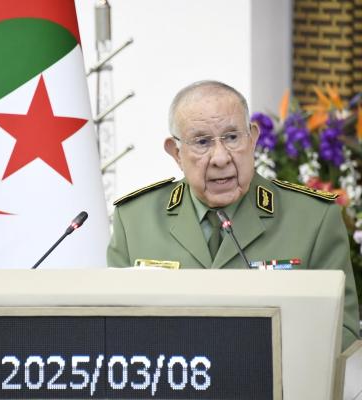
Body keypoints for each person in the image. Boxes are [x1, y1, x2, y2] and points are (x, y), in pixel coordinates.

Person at [107, 80, 360, 350]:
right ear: (176, 153)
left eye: (232, 138)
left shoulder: (313, 219)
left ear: (252, 138)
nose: (221, 158)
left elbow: (342, 332)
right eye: (202, 142)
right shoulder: (134, 220)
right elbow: (115, 331)